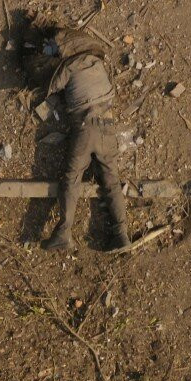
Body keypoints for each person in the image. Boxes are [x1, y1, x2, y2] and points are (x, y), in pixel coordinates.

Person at [42, 27, 130, 252]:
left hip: (85, 128)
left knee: (72, 178)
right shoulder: (97, 63)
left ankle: (63, 232)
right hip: (108, 129)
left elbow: (50, 86)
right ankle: (121, 235)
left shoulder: (70, 66)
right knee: (111, 182)